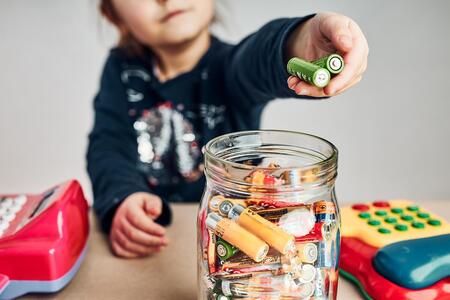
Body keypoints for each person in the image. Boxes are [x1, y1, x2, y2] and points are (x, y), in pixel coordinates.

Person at [87, 0, 368, 258]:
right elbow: (107, 146)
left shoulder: (231, 68)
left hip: (242, 242)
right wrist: (123, 196)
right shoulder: (121, 73)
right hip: (158, 246)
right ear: (112, 13)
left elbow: (261, 55)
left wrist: (301, 40)